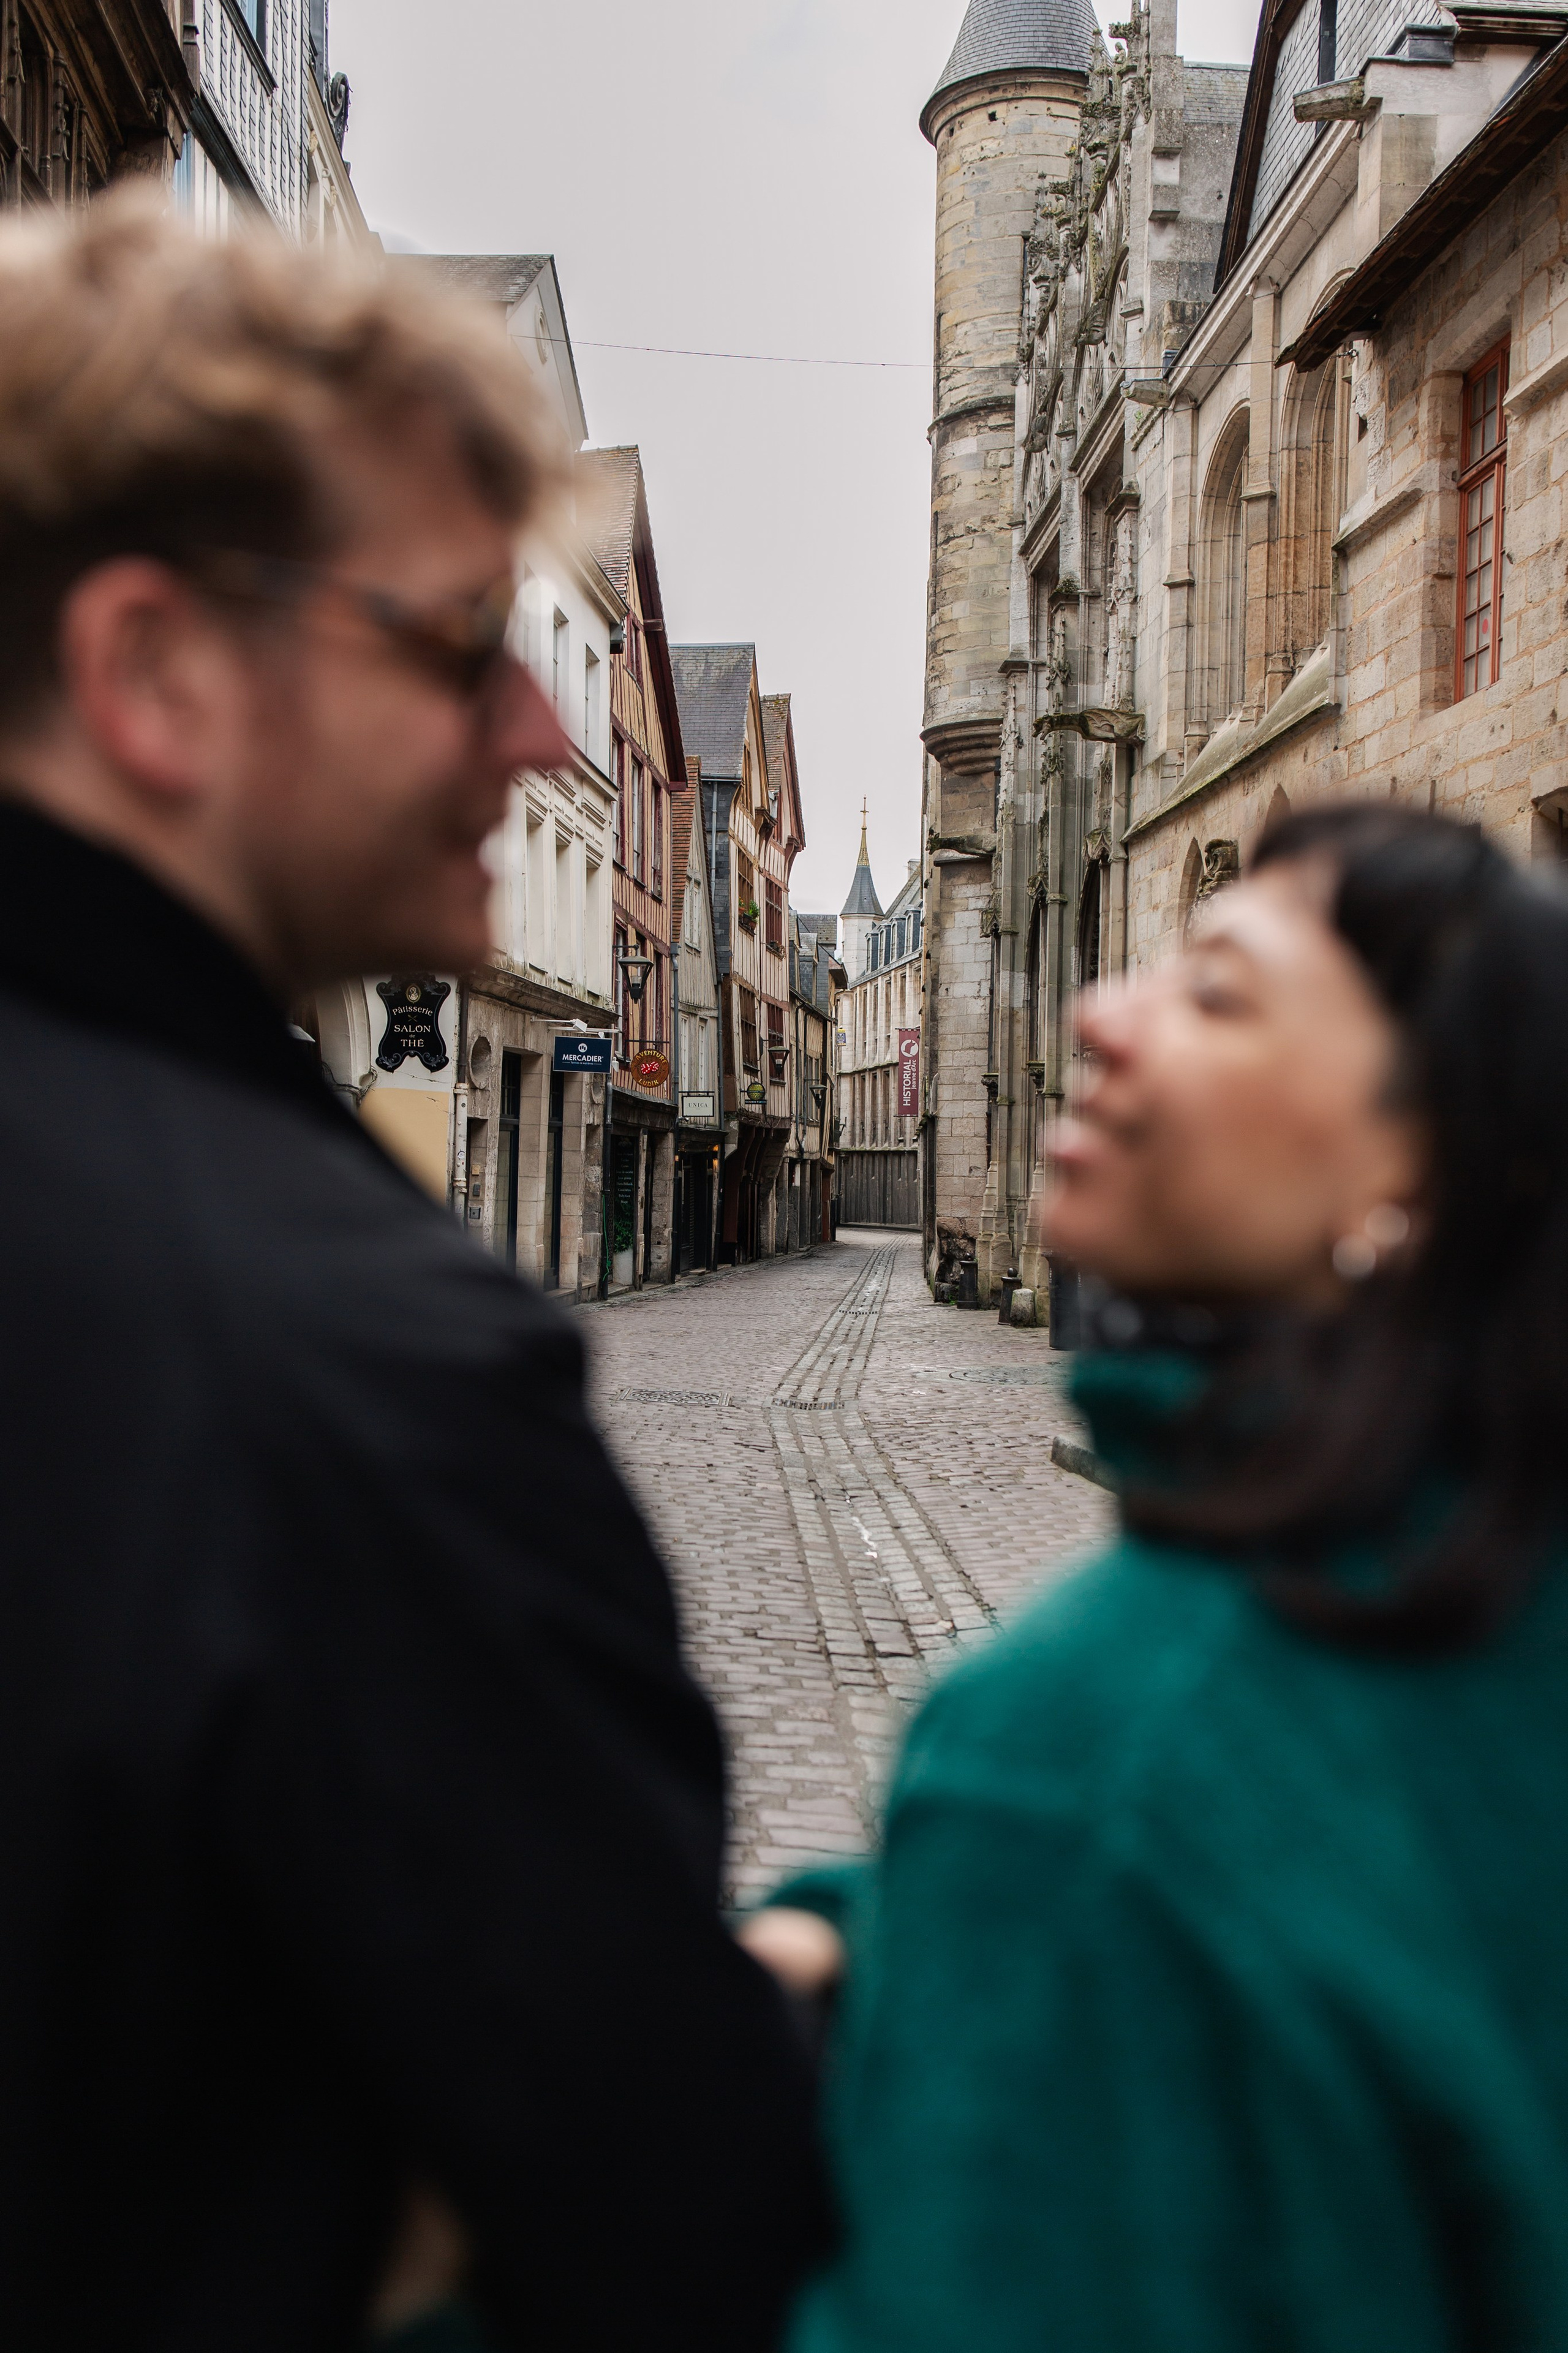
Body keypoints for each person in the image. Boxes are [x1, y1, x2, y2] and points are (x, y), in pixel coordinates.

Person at [0, 198, 827, 2351]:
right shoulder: (345, 1353)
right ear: (157, 675)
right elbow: (671, 2190)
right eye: (461, 643)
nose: (541, 739)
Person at [743, 804, 1568, 2350]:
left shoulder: (1080, 1751)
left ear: (1415, 1162)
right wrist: (892, 1929)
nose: (1099, 1013)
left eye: (1214, 992)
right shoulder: (1501, 1591)